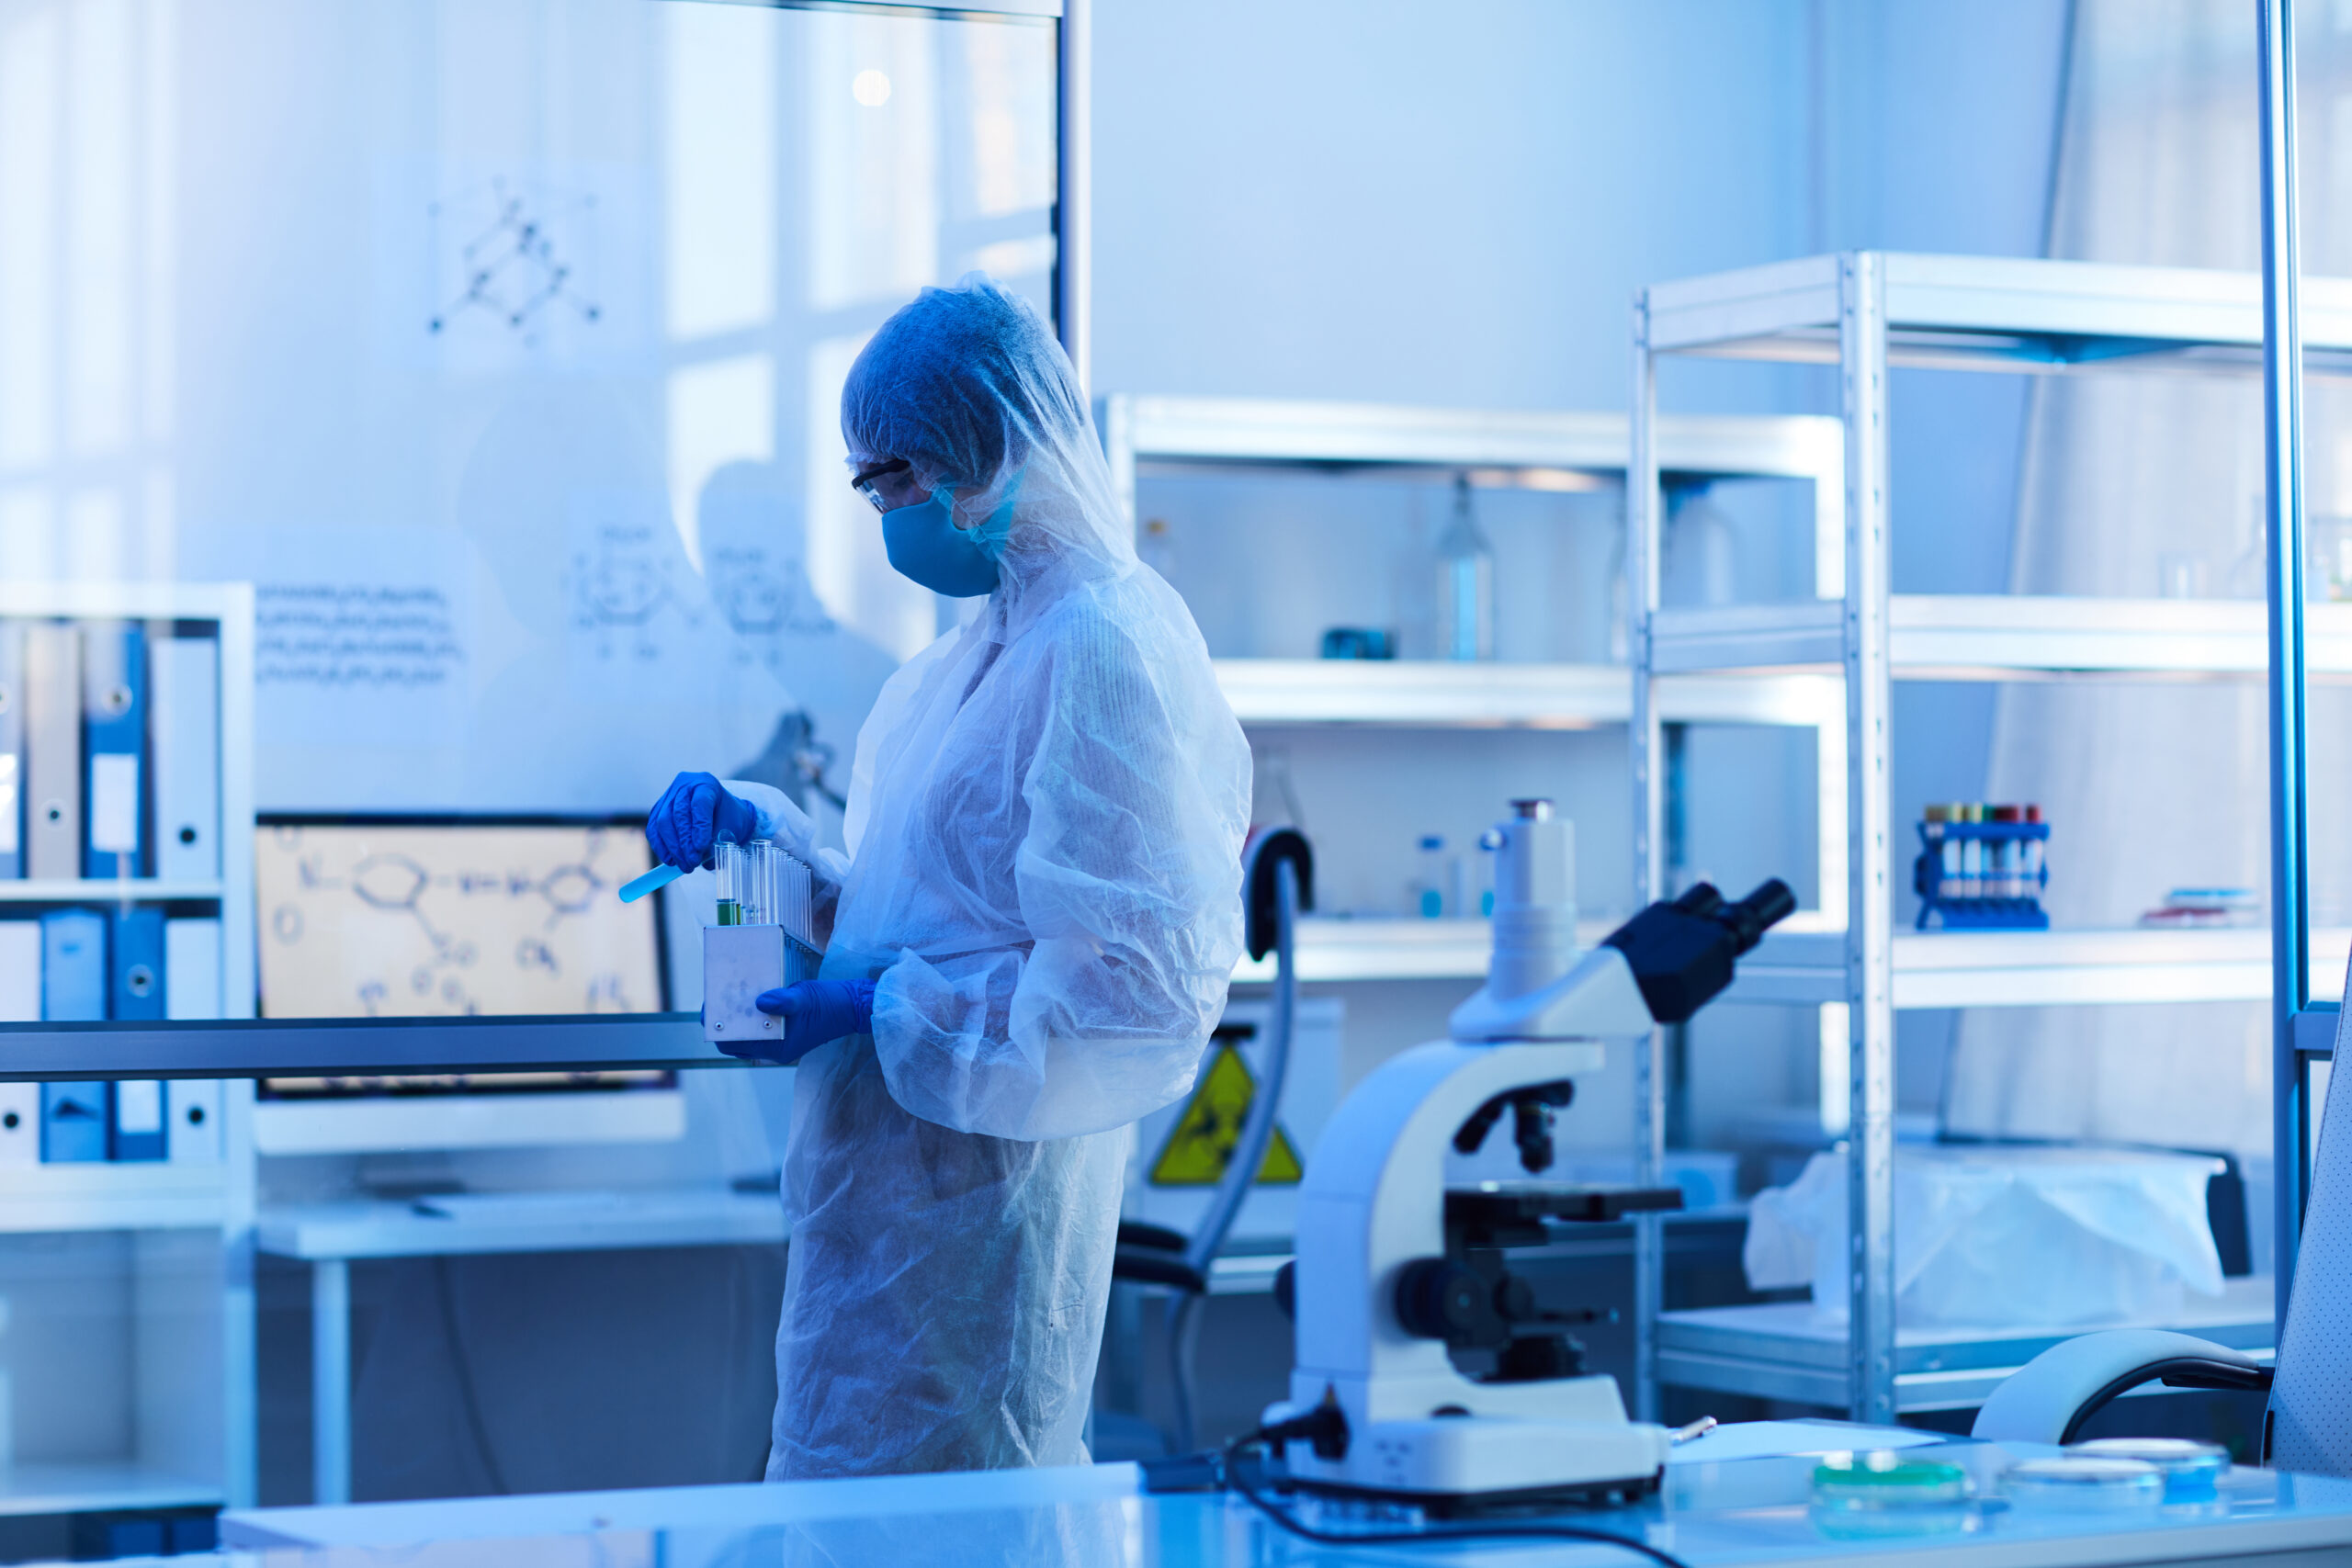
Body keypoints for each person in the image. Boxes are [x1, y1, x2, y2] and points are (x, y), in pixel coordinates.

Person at [646, 276, 1250, 1479]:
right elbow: (892, 907)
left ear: (991, 450)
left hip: (986, 1243)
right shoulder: (957, 667)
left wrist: (881, 1010)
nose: (881, 512)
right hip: (874, 1241)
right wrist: (751, 833)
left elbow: (1130, 1009)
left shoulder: (1103, 651)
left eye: (893, 478)